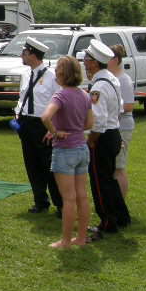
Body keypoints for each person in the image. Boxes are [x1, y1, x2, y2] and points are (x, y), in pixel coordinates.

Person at [41, 56, 95, 249]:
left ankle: (65, 241)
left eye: (57, 69)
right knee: (82, 196)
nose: (55, 72)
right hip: (82, 148)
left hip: (65, 151)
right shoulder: (84, 95)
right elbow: (89, 123)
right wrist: (71, 129)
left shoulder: (61, 95)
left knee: (69, 199)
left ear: (62, 73)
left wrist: (55, 132)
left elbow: (45, 116)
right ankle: (80, 238)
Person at [82, 40, 130, 235]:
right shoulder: (111, 78)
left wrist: (92, 140)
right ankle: (121, 216)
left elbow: (98, 120)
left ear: (94, 62)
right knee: (109, 179)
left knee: (100, 182)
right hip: (112, 133)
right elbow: (117, 109)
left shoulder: (99, 87)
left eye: (86, 59)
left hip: (102, 137)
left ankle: (107, 221)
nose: (84, 62)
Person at [14, 37, 62, 215]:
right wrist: (17, 114)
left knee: (49, 166)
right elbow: (22, 98)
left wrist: (53, 128)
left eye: (24, 53)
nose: (22, 56)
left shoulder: (52, 76)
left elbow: (59, 103)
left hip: (43, 125)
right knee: (31, 164)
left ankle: (60, 205)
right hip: (26, 122)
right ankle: (40, 201)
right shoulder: (26, 74)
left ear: (32, 54)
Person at [108, 44, 135, 199]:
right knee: (113, 167)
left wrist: (108, 109)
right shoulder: (112, 78)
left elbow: (129, 106)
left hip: (122, 126)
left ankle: (120, 203)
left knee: (119, 167)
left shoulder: (123, 80)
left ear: (115, 60)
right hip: (113, 126)